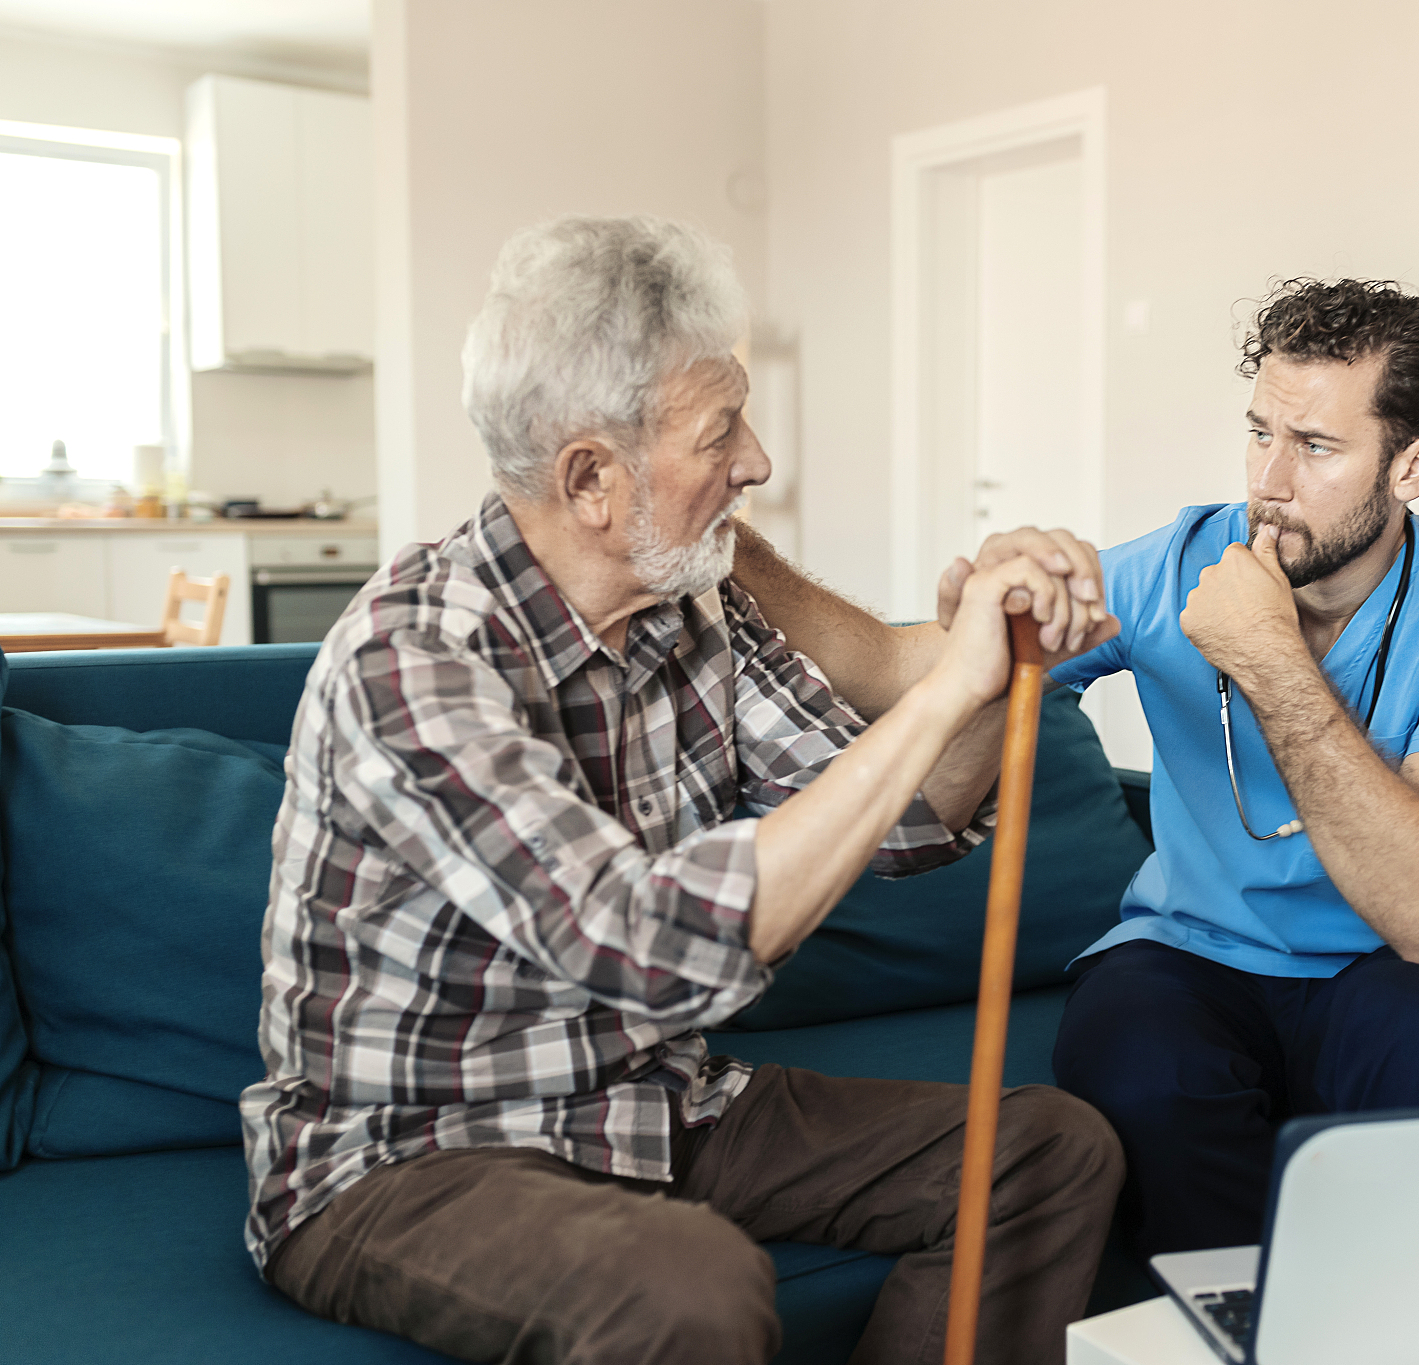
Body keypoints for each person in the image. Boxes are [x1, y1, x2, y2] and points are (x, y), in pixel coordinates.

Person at [242, 214, 1123, 1365]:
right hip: (408, 1158)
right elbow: (644, 945)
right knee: (689, 1285)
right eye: (720, 433)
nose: (756, 461)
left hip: (652, 1101)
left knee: (1049, 1150)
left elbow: (902, 822)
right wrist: (933, 694)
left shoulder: (689, 606)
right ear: (592, 479)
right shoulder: (410, 657)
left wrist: (991, 677)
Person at [738, 278, 1419, 1262]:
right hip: (1190, 955)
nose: (1268, 481)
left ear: (1412, 465)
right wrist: (728, 549)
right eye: (1259, 434)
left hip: (1386, 967)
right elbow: (889, 665)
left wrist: (1268, 657)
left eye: (1315, 447)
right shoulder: (1175, 567)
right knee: (1134, 1059)